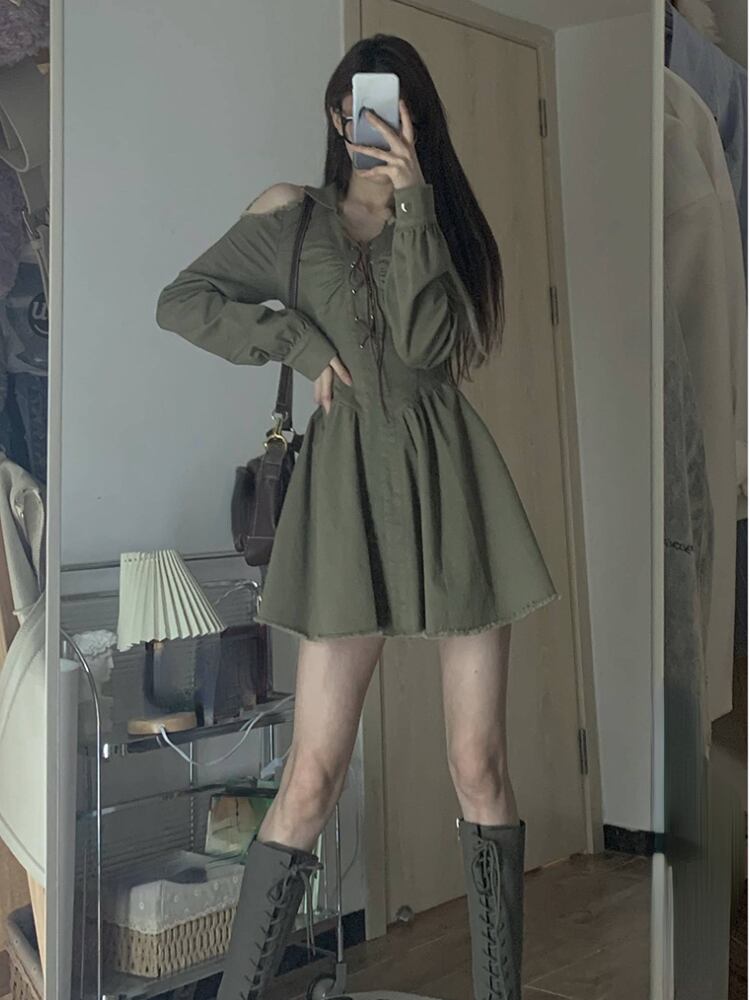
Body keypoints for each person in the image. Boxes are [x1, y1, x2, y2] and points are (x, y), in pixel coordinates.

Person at [156, 32, 560, 1000]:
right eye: (350, 109)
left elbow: (425, 345)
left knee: (479, 763)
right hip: (344, 494)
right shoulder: (292, 217)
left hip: (451, 481)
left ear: (415, 119)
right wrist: (293, 339)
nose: (363, 124)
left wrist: (413, 198)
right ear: (334, 116)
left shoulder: (444, 223)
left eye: (384, 108)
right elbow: (183, 301)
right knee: (311, 774)